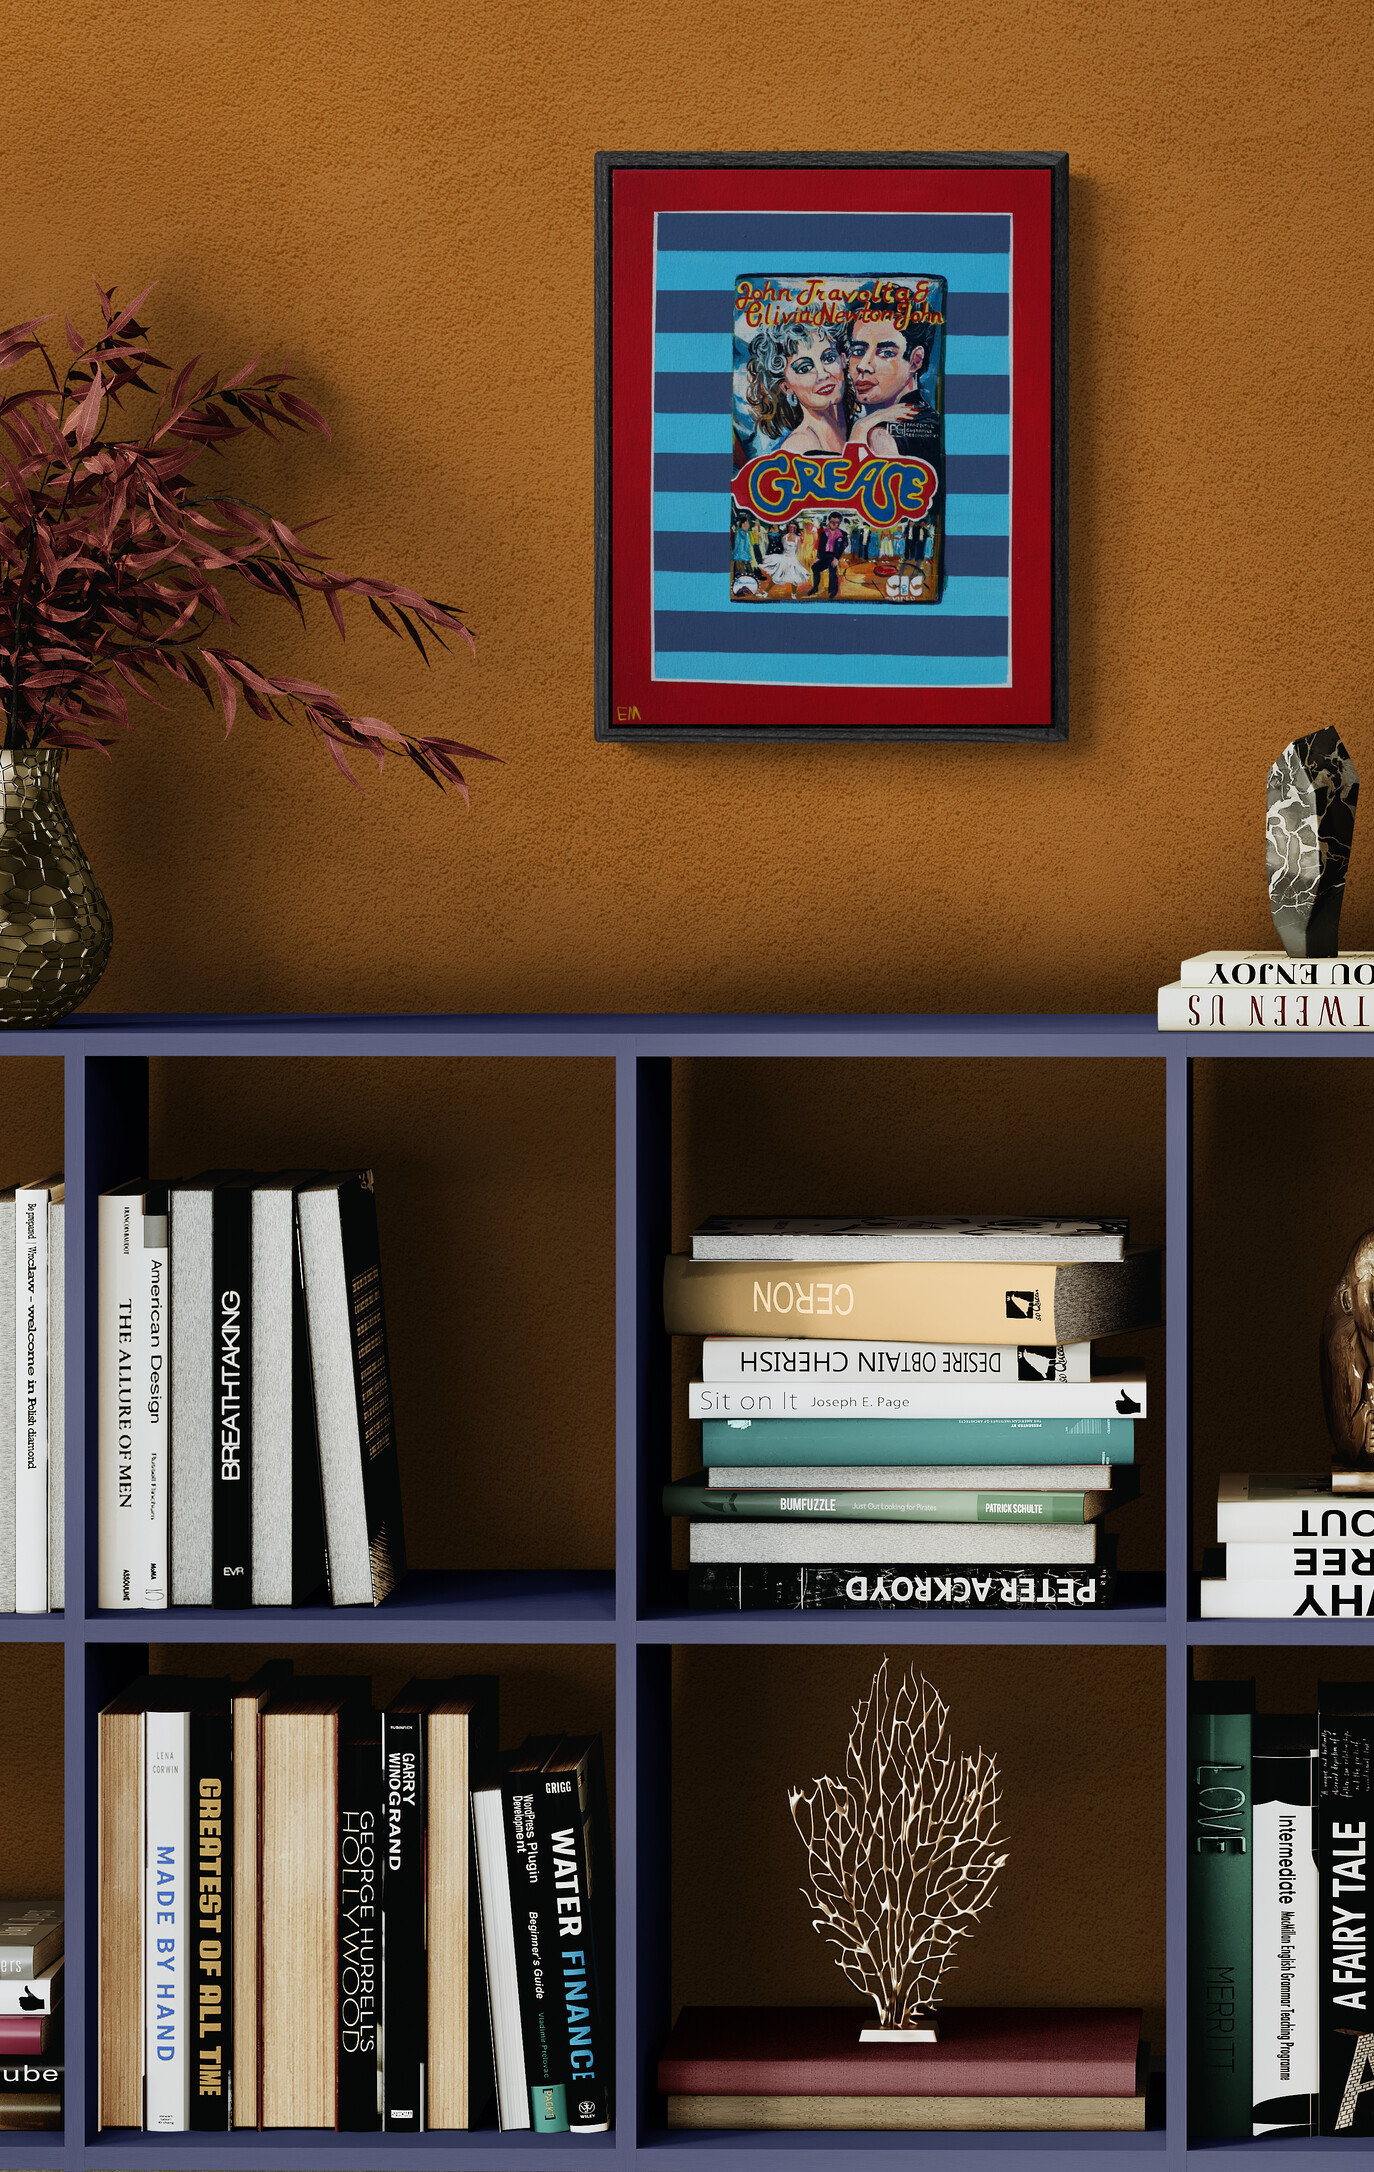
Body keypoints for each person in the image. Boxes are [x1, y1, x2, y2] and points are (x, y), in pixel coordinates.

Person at [846, 284, 940, 458]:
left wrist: (860, 431)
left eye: (886, 353)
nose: (863, 365)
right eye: (858, 351)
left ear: (915, 360)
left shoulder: (880, 436)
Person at [743, 317, 850, 454]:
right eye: (804, 368)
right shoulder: (799, 446)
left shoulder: (860, 428)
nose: (822, 375)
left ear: (843, 360)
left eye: (829, 359)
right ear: (787, 387)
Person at [760, 522, 809, 597]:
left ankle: (793, 594)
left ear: (796, 528)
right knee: (777, 576)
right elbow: (783, 549)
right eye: (790, 527)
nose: (792, 529)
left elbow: (800, 550)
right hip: (784, 558)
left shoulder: (797, 538)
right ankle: (765, 592)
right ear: (788, 528)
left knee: (794, 577)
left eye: (793, 527)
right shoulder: (784, 537)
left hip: (793, 559)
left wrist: (800, 560)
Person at [809, 514, 847, 599]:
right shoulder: (824, 533)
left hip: (834, 556)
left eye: (836, 522)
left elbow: (842, 547)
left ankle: (833, 590)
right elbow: (821, 547)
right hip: (824, 556)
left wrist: (836, 558)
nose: (834, 524)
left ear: (839, 523)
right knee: (815, 567)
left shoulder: (843, 535)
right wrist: (818, 557)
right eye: (832, 522)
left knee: (832, 570)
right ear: (829, 522)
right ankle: (815, 587)